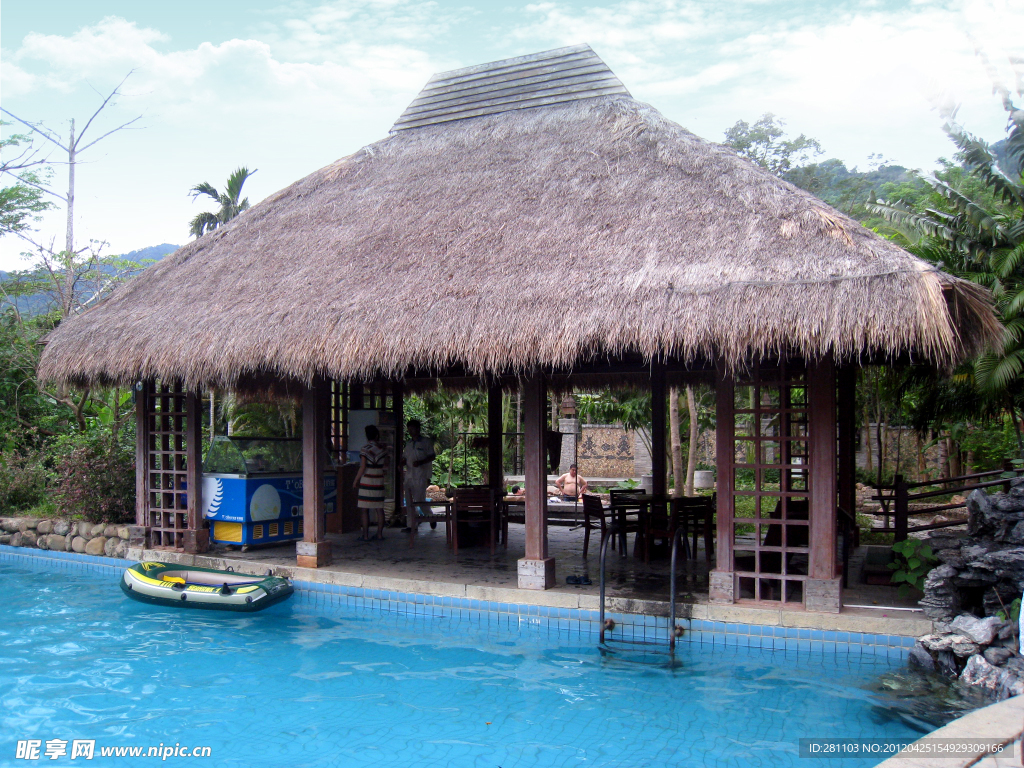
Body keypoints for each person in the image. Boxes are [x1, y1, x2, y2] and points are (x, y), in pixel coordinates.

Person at [353, 425, 390, 541]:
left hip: (367, 481)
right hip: (379, 481)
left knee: (364, 509)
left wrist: (356, 480)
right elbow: (386, 466)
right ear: (377, 435)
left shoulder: (365, 449)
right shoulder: (383, 449)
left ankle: (365, 535)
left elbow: (362, 467)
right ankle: (379, 534)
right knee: (379, 509)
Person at [401, 419, 436, 533]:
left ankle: (430, 516)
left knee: (420, 499)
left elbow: (432, 456)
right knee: (409, 500)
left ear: (418, 429)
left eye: (413, 428)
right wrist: (401, 463)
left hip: (420, 475)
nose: (411, 431)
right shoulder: (409, 444)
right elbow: (405, 457)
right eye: (409, 429)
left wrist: (420, 462)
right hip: (409, 475)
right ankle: (411, 525)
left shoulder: (425, 442)